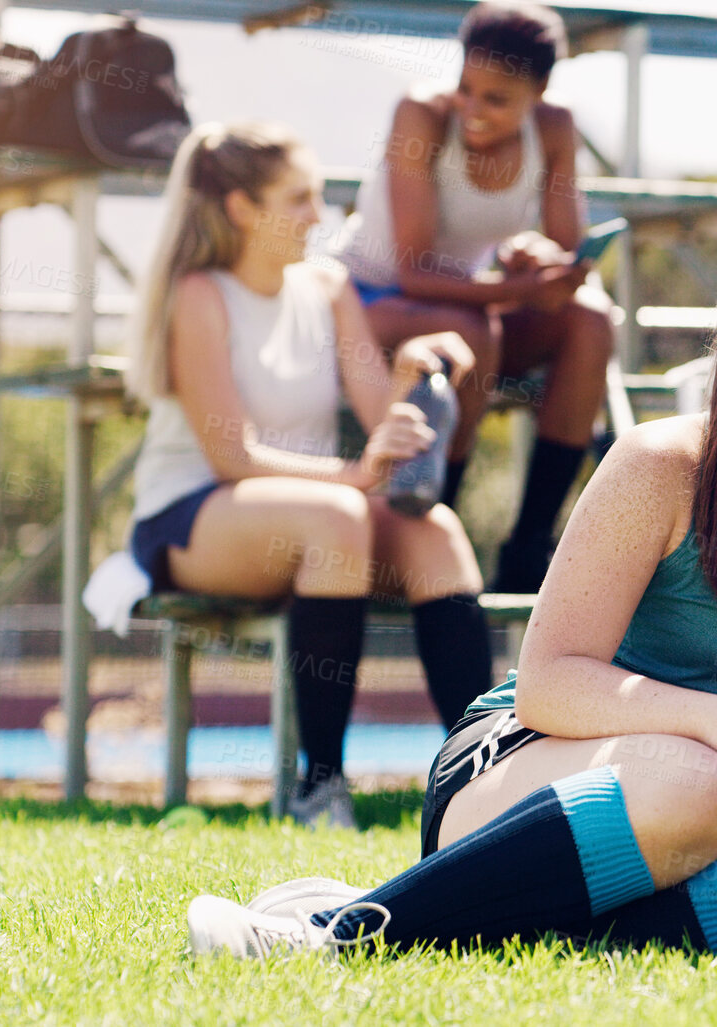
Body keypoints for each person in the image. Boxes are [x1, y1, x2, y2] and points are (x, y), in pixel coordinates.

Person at [186, 219, 717, 957]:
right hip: (530, 775)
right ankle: (339, 933)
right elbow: (548, 683)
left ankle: (468, 923)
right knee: (694, 780)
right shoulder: (658, 465)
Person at [123, 122, 492, 829]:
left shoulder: (327, 286)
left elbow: (380, 412)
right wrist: (358, 475)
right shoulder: (200, 294)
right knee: (340, 519)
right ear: (240, 208)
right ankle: (320, 787)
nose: (317, 216)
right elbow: (233, 458)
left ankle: (479, 781)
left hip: (322, 516)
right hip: (192, 516)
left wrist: (417, 368)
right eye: (298, 198)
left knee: (436, 533)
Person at [330, 0, 615, 593]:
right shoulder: (420, 113)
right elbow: (412, 273)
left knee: (590, 321)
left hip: (464, 303)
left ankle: (530, 546)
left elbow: (565, 251)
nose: (473, 110)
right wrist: (523, 285)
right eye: (466, 87)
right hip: (369, 302)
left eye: (496, 99)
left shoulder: (555, 128)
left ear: (538, 92)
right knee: (470, 331)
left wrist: (535, 257)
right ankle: (434, 529)